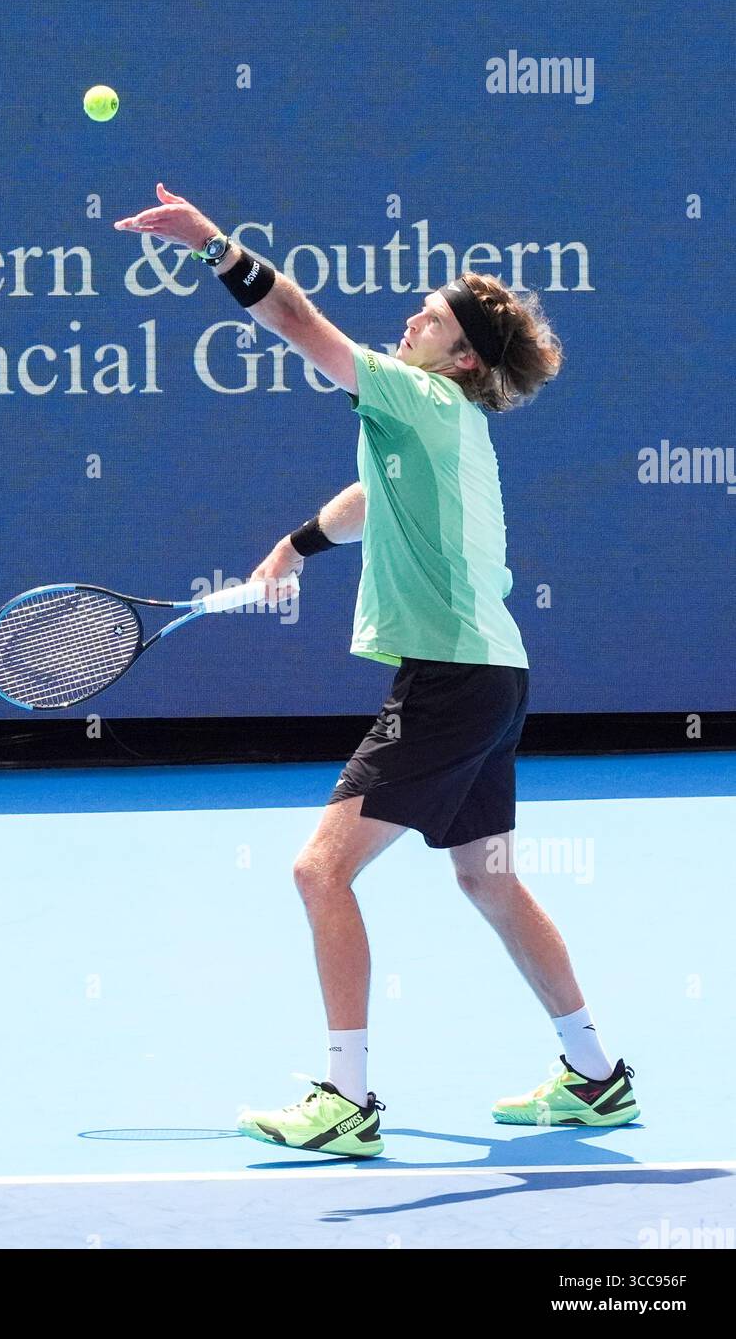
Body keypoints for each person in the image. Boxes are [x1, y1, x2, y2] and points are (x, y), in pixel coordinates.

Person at [114, 185, 639, 1157]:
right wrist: (297, 544)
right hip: (494, 674)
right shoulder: (449, 422)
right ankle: (596, 1076)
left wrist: (208, 243)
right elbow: (370, 495)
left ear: (462, 355)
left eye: (430, 316)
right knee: (486, 881)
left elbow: (296, 319)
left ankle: (344, 1097)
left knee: (320, 871)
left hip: (447, 678)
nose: (411, 319)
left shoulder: (419, 393)